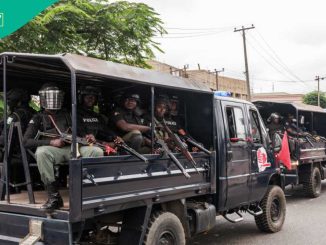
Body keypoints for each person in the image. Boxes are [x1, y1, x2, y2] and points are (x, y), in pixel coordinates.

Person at [23, 83, 103, 211]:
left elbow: (82, 132)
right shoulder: (37, 118)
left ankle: (88, 193)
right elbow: (26, 142)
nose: (53, 101)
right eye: (49, 97)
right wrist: (51, 143)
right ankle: (54, 197)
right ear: (43, 99)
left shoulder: (69, 114)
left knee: (96, 151)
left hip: (74, 147)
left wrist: (88, 137)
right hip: (54, 150)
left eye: (55, 97)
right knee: (42, 153)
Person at [0, 88, 35, 187]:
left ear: (18, 102)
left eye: (9, 101)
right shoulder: (33, 113)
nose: (7, 104)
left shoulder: (14, 116)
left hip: (18, 154)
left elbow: (3, 139)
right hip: (31, 153)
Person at [77, 85, 121, 150]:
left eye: (93, 97)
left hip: (100, 144)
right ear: (81, 98)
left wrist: (115, 137)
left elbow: (105, 129)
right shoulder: (75, 114)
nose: (91, 99)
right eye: (87, 96)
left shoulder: (98, 116)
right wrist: (102, 143)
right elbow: (80, 134)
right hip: (85, 145)